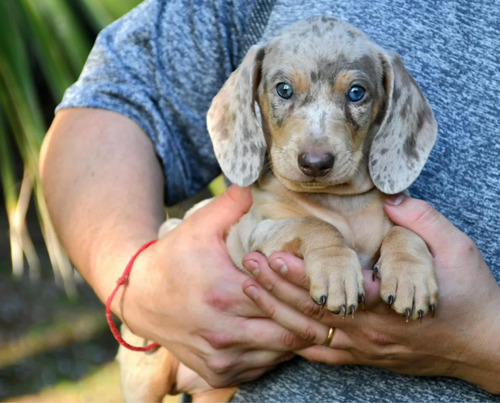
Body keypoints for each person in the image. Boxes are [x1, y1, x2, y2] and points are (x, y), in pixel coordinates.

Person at [39, 0, 500, 400]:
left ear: (386, 107)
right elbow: (115, 94)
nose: (315, 150)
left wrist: (480, 343)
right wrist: (139, 284)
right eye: (285, 92)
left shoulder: (385, 206)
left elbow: (396, 241)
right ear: (254, 99)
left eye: (354, 95)